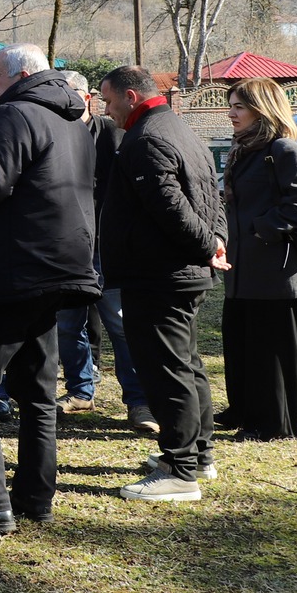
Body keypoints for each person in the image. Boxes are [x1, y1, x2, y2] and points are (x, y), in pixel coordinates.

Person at [0, 45, 98, 536]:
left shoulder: (15, 113)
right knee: (37, 389)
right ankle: (35, 495)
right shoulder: (73, 117)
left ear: (21, 74)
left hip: (12, 270)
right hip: (59, 266)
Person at [99, 65, 228, 502]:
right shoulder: (180, 129)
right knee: (186, 364)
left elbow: (171, 207)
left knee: (166, 371)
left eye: (108, 100)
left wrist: (207, 245)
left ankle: (179, 469)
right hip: (177, 271)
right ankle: (198, 455)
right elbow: (212, 195)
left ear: (131, 96)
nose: (107, 110)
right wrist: (217, 241)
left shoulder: (147, 138)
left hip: (160, 275)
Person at [219, 77, 297, 441]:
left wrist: (259, 229)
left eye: (239, 107)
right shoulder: (245, 149)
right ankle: (244, 410)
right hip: (242, 270)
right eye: (231, 106)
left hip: (274, 272)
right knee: (242, 344)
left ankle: (272, 425)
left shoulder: (282, 150)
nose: (231, 113)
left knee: (271, 351)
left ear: (262, 109)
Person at [53, 71, 149, 428]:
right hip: (66, 248)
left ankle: (139, 401)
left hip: (105, 246)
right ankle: (81, 390)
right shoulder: (53, 133)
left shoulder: (110, 133)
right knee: (68, 325)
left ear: (87, 98)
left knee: (120, 325)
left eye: (68, 95)